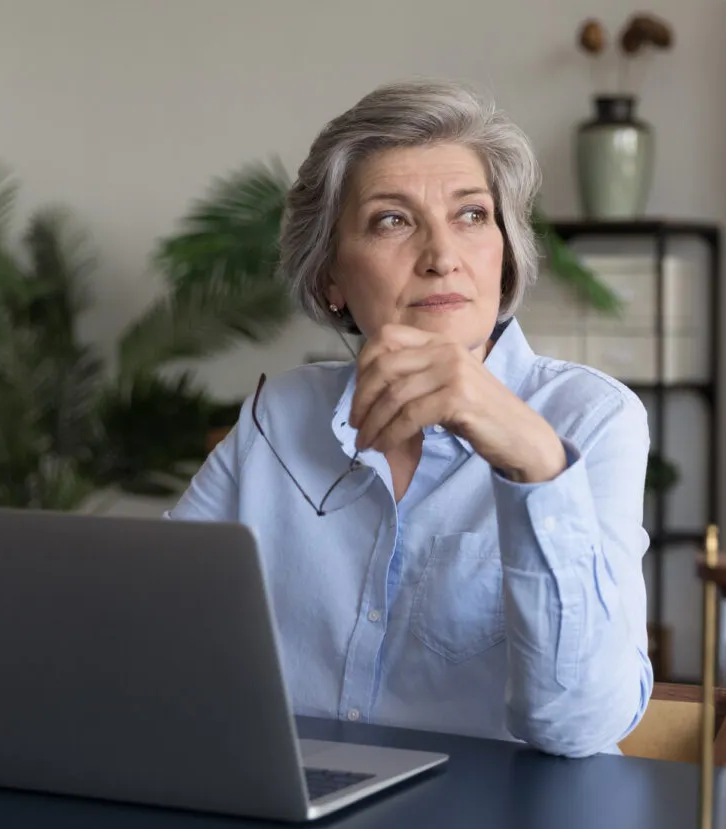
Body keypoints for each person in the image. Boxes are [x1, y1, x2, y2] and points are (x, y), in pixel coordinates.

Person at [166, 79, 653, 757]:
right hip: (290, 817)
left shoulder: (592, 419)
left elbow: (580, 727)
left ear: (505, 251)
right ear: (329, 276)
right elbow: (155, 635)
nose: (442, 256)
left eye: (472, 215)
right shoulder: (279, 417)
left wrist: (533, 463)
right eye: (392, 220)